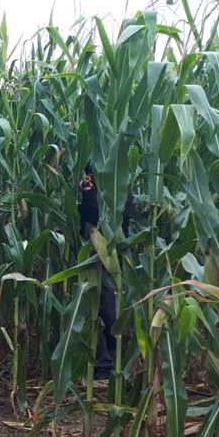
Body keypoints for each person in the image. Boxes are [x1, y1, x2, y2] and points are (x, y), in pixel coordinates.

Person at [78, 162, 134, 381]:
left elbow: (125, 217)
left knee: (112, 315)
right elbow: (85, 223)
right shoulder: (88, 191)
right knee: (92, 312)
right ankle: (102, 367)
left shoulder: (121, 189)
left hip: (115, 258)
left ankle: (114, 365)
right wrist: (87, 197)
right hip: (90, 257)